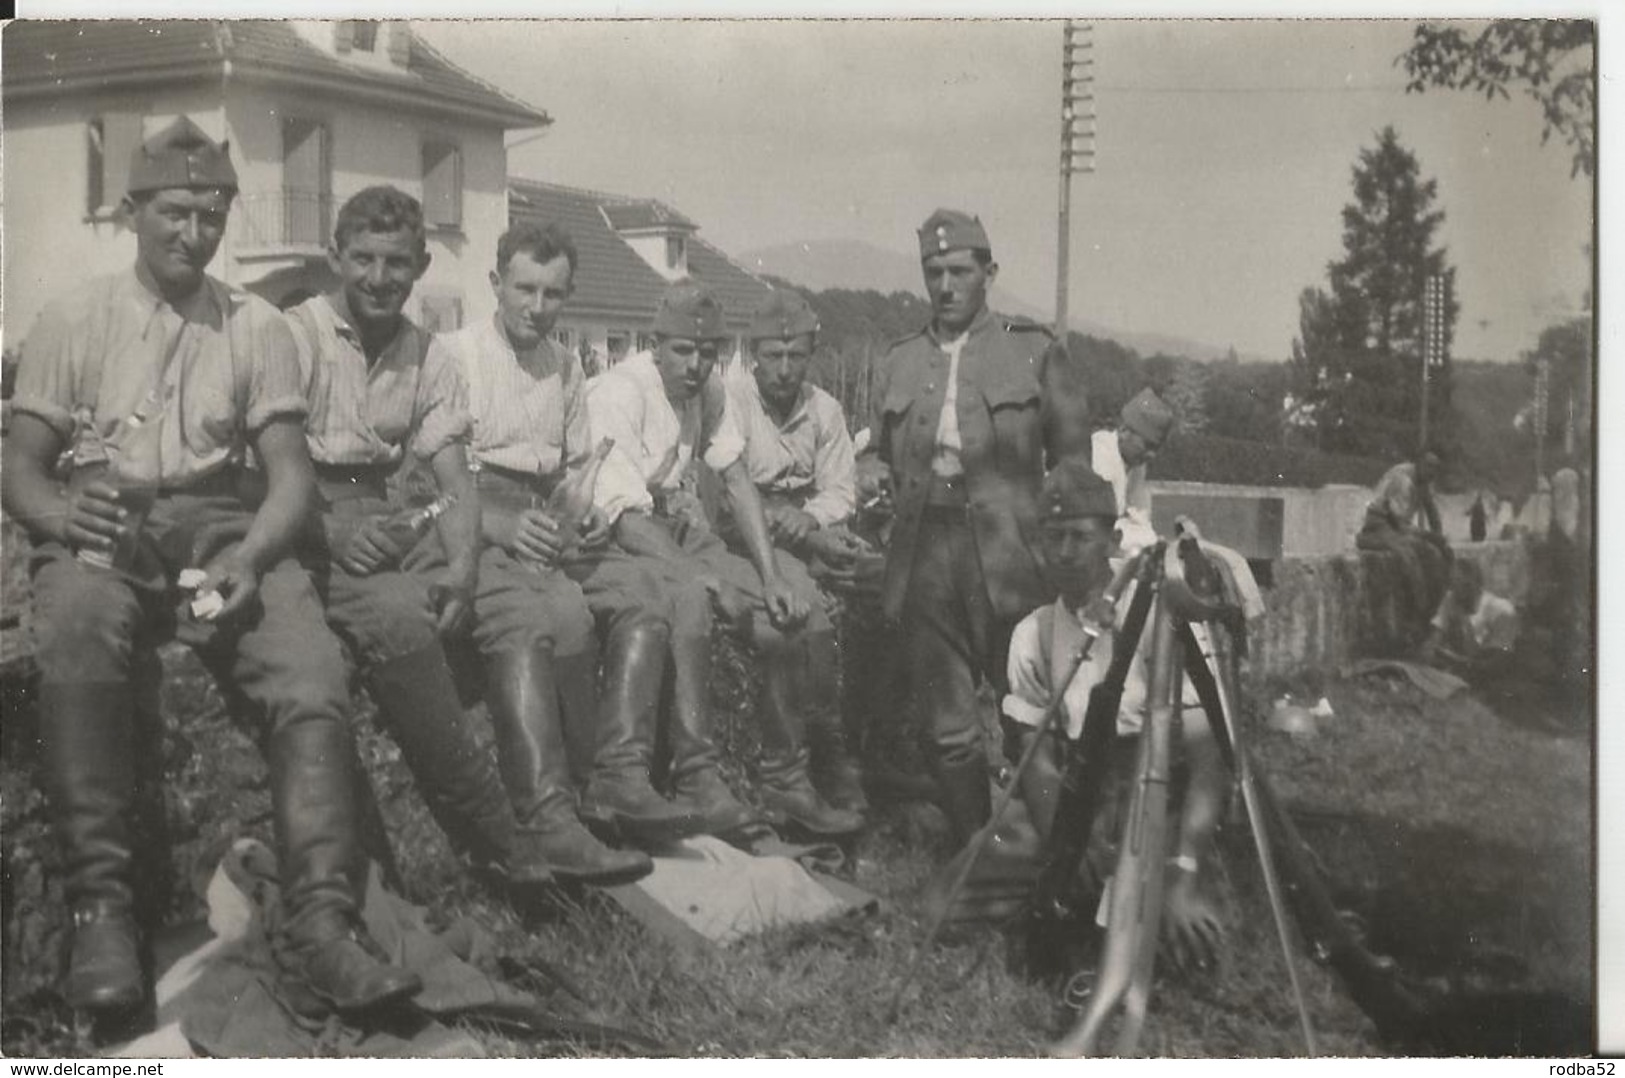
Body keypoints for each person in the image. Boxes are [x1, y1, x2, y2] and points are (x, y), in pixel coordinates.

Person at [1, 119, 420, 1015]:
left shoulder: (256, 326)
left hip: (221, 522)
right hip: (109, 519)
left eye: (213, 214)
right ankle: (102, 913)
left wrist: (253, 555)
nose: (194, 234)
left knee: (309, 670)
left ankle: (322, 925)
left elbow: (290, 478)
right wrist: (60, 514)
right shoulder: (74, 317)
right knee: (76, 631)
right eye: (175, 213)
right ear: (132, 211)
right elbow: (18, 465)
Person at [286, 186, 596, 888]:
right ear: (335, 256)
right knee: (402, 620)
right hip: (303, 515)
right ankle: (494, 832)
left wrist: (462, 568)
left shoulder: (425, 355)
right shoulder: (294, 335)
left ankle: (562, 807)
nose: (378, 278)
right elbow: (265, 469)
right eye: (362, 259)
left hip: (388, 513)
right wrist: (329, 531)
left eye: (397, 263)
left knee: (511, 599)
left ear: (422, 265)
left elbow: (453, 479)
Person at [439, 221, 699, 857]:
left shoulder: (565, 365)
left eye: (553, 294)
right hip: (476, 518)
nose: (537, 307)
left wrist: (582, 513)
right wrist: (497, 525)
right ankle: (561, 802)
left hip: (547, 521)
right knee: (561, 613)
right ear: (496, 284)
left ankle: (620, 776)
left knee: (641, 589)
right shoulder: (454, 356)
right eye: (524, 289)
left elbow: (574, 466)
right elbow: (426, 477)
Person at [588, 280, 863, 837]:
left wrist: (769, 578)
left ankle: (785, 782)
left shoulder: (708, 391)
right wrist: (709, 579)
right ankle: (697, 778)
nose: (695, 365)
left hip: (676, 525)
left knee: (787, 614)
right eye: (684, 351)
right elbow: (624, 519)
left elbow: (737, 479)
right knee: (692, 599)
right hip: (617, 534)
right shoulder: (621, 392)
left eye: (708, 352)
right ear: (656, 343)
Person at [856, 208, 1090, 845]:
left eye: (959, 271)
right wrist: (872, 471)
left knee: (1032, 710)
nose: (946, 285)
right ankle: (974, 851)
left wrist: (1070, 559)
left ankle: (1052, 852)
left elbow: (1075, 470)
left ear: (989, 273)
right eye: (934, 272)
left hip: (1013, 557)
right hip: (925, 556)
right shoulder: (903, 359)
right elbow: (878, 451)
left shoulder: (1034, 352)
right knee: (947, 723)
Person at [1001, 460, 1226, 967]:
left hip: (1158, 804)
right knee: (972, 901)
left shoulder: (1159, 616)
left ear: (1112, 538)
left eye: (1079, 536)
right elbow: (1036, 762)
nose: (1063, 552)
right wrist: (1066, 848)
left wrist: (1184, 864)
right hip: (1082, 809)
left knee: (1184, 941)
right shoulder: (1032, 635)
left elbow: (1207, 755)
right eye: (1051, 537)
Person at [721, 289, 870, 813]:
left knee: (868, 592)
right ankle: (811, 759)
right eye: (772, 356)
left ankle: (853, 747)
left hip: (800, 529)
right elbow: (725, 486)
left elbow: (841, 489)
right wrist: (786, 522)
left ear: (811, 355)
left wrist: (808, 518)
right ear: (753, 353)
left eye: (796, 356)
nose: (784, 369)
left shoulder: (823, 409)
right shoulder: (730, 400)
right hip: (739, 531)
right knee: (808, 619)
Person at [1356, 450, 1454, 647]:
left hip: (1398, 527)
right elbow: (1399, 523)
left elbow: (1432, 512)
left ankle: (1436, 616)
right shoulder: (1403, 481)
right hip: (1380, 525)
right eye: (1429, 466)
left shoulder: (1423, 481)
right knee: (1409, 556)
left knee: (1438, 554)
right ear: (1419, 464)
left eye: (1436, 468)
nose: (1432, 472)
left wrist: (1440, 539)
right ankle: (1416, 617)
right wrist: (1429, 536)